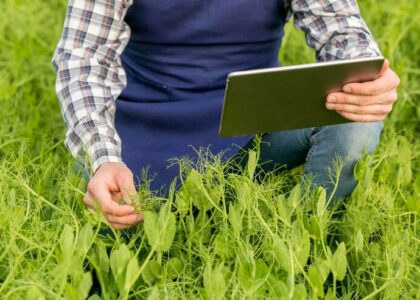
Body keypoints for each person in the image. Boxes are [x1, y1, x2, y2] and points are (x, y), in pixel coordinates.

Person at [52, 0, 400, 230]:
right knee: (110, 215)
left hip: (254, 131)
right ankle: (143, 192)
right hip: (139, 138)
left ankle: (307, 242)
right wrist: (104, 158)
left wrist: (368, 76)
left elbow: (343, 31)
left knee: (358, 113)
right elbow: (82, 61)